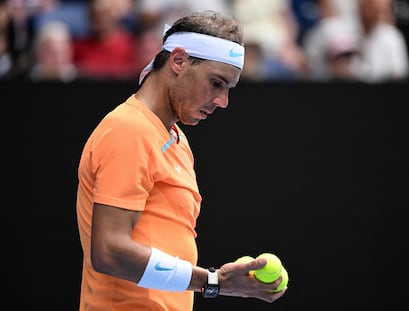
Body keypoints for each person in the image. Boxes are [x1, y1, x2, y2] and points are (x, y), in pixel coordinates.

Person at [75, 10, 287, 311]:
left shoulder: (177, 140)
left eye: (228, 88)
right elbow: (109, 251)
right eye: (216, 83)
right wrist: (213, 282)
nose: (222, 102)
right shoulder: (128, 129)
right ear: (178, 61)